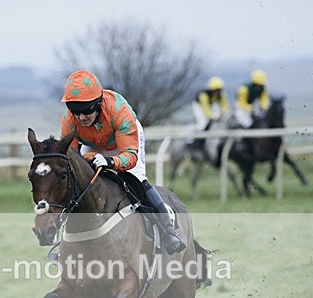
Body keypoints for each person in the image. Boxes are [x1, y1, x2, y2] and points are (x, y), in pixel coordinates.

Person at [60, 69, 186, 254]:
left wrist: (109, 162)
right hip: (94, 143)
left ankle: (168, 230)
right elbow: (68, 155)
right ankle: (64, 243)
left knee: (136, 179)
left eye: (86, 110)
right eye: (75, 111)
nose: (81, 117)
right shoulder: (69, 119)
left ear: (98, 103)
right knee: (75, 184)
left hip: (124, 143)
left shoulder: (120, 111)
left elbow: (130, 157)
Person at [189, 76, 228, 159]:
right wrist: (216, 116)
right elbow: (206, 111)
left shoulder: (221, 95)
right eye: (216, 90)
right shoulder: (203, 95)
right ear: (212, 90)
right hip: (199, 106)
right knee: (203, 122)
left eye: (219, 90)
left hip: (210, 105)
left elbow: (224, 106)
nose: (218, 92)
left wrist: (223, 114)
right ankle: (193, 140)